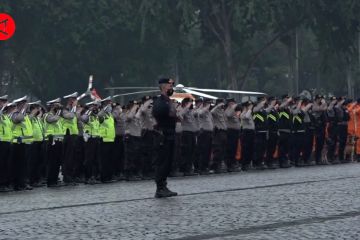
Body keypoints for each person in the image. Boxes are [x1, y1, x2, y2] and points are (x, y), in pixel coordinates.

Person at [152, 78, 178, 198]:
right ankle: (160, 188)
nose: (171, 88)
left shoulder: (167, 101)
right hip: (163, 135)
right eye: (170, 86)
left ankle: (164, 185)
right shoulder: (160, 101)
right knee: (162, 162)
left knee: (168, 162)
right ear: (163, 87)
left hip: (170, 134)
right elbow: (161, 113)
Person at [44, 98, 64, 187]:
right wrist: (59, 111)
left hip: (59, 142)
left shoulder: (57, 115)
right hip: (52, 141)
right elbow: (53, 120)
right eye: (56, 105)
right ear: (52, 106)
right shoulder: (47, 115)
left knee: (57, 162)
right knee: (52, 162)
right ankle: (50, 181)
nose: (58, 107)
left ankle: (55, 180)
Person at [0, 95, 13, 192]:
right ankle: (1, 184)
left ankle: (5, 183)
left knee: (7, 164)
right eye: (3, 102)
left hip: (7, 141)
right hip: (1, 141)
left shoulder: (5, 116)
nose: (5, 104)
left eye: (5, 102)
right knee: (2, 164)